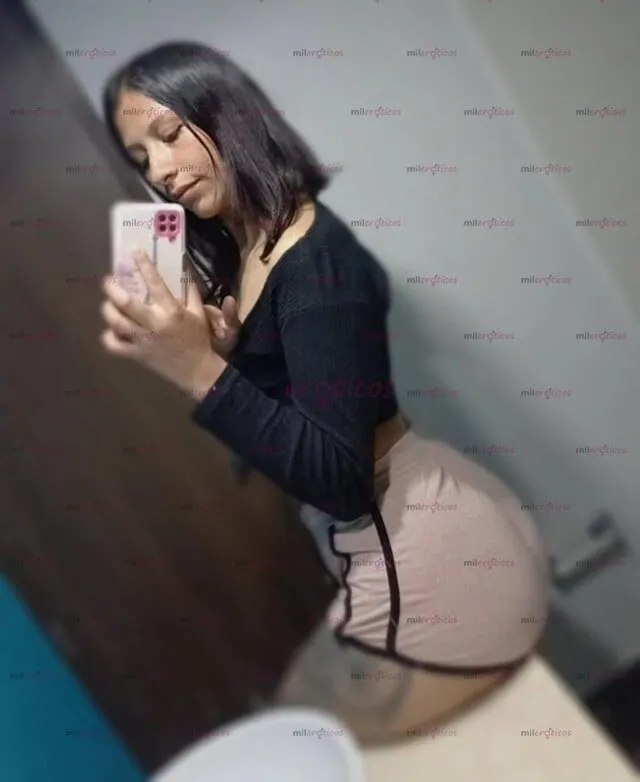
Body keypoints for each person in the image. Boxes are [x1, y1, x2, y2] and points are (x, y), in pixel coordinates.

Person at [99, 41, 550, 745]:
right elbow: (302, 404)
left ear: (227, 116)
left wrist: (196, 369)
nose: (158, 170)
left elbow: (340, 477)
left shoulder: (314, 266)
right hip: (391, 534)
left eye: (168, 134)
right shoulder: (255, 245)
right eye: (140, 157)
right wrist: (227, 355)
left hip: (421, 541)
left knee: (319, 743)